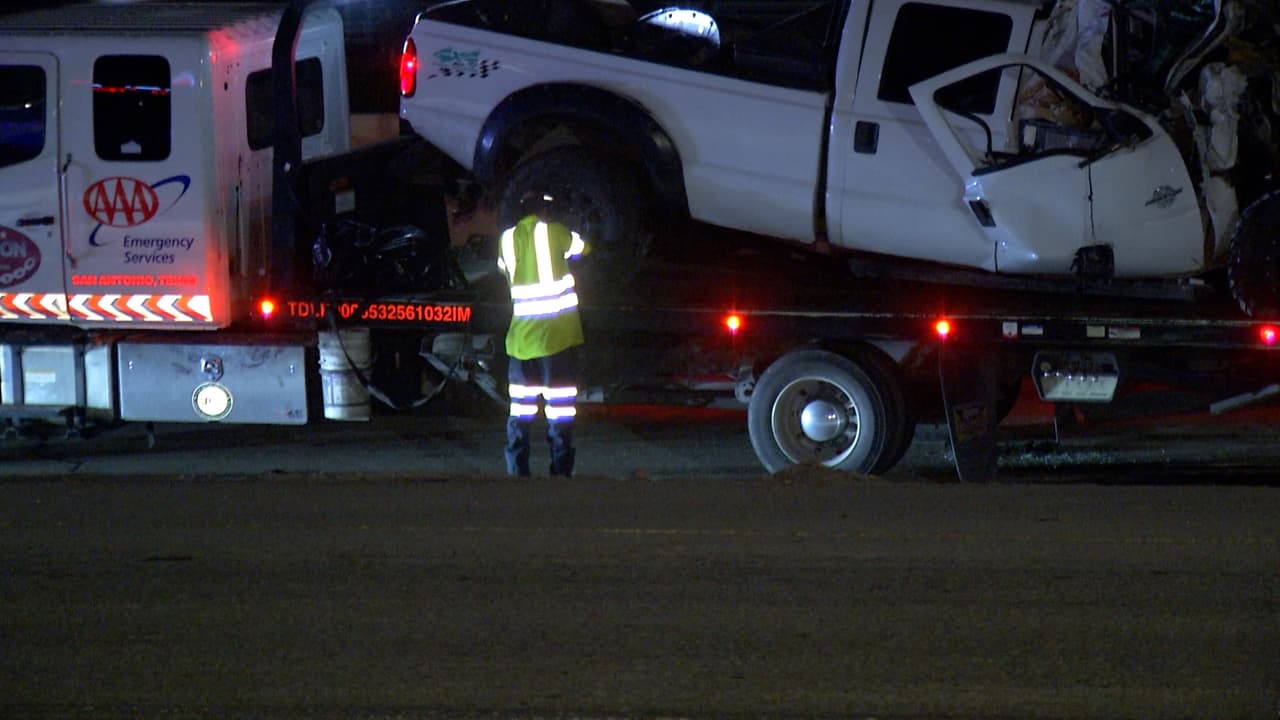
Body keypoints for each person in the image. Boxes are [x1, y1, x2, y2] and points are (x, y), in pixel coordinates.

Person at [497, 196, 589, 476]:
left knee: (520, 414)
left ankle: (517, 474)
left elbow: (504, 270)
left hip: (521, 343)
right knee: (559, 412)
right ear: (544, 209)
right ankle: (560, 474)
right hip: (555, 340)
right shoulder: (554, 231)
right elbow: (583, 247)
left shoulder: (507, 238)